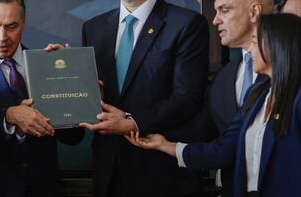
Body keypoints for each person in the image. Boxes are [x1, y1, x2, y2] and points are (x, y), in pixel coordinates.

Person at [80, 0, 209, 197]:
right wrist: (62, 66)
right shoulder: (93, 29)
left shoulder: (186, 24)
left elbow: (187, 97)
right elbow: (90, 94)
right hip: (108, 170)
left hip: (161, 170)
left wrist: (132, 121)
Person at [128, 13, 301, 197]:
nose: (250, 49)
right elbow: (224, 149)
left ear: (277, 44)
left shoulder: (297, 98)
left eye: (255, 41)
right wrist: (164, 145)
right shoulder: (257, 95)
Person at [0, 0, 84, 197]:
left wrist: (70, 80)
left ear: (23, 22)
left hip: (45, 187)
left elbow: (72, 137)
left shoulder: (45, 65)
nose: (2, 36)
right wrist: (9, 116)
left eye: (11, 26)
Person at [180, 0, 274, 196]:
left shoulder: (290, 69)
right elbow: (202, 131)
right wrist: (135, 123)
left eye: (224, 10)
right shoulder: (225, 77)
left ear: (254, 12)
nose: (215, 21)